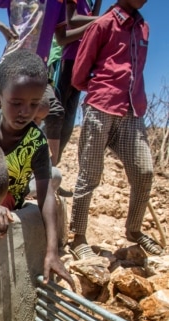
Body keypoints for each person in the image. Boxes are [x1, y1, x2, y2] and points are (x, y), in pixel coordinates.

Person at [0, 49, 73, 287]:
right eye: (16, 103)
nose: (25, 111)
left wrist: (52, 251)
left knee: (50, 178)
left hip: (12, 196)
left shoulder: (36, 141)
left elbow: (46, 194)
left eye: (34, 104)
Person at [69, 0, 162, 258]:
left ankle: (133, 230)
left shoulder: (143, 28)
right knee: (90, 174)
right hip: (101, 109)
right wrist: (103, 91)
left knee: (144, 170)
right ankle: (78, 237)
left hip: (132, 111)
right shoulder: (103, 25)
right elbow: (78, 75)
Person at [0, 0, 66, 167]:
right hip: (11, 67)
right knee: (3, 122)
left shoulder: (57, 3)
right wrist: (2, 27)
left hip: (38, 73)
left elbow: (62, 37)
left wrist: (95, 22)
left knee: (54, 111)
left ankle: (48, 169)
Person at [56, 0, 102, 162]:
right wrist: (101, 20)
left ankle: (51, 169)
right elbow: (71, 22)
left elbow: (94, 20)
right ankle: (36, 170)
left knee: (68, 125)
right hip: (68, 61)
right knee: (55, 117)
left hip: (84, 63)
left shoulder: (89, 3)